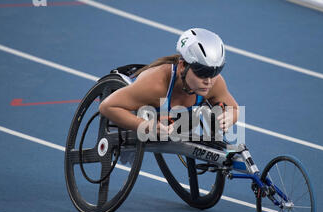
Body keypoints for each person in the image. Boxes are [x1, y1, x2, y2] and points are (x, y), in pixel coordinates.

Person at [99, 28, 239, 140]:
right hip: (133, 114)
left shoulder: (215, 82)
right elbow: (107, 106)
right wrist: (147, 126)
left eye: (214, 73)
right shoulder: (155, 85)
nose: (208, 81)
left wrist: (230, 116)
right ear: (183, 65)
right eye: (201, 73)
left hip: (174, 119)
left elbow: (234, 108)